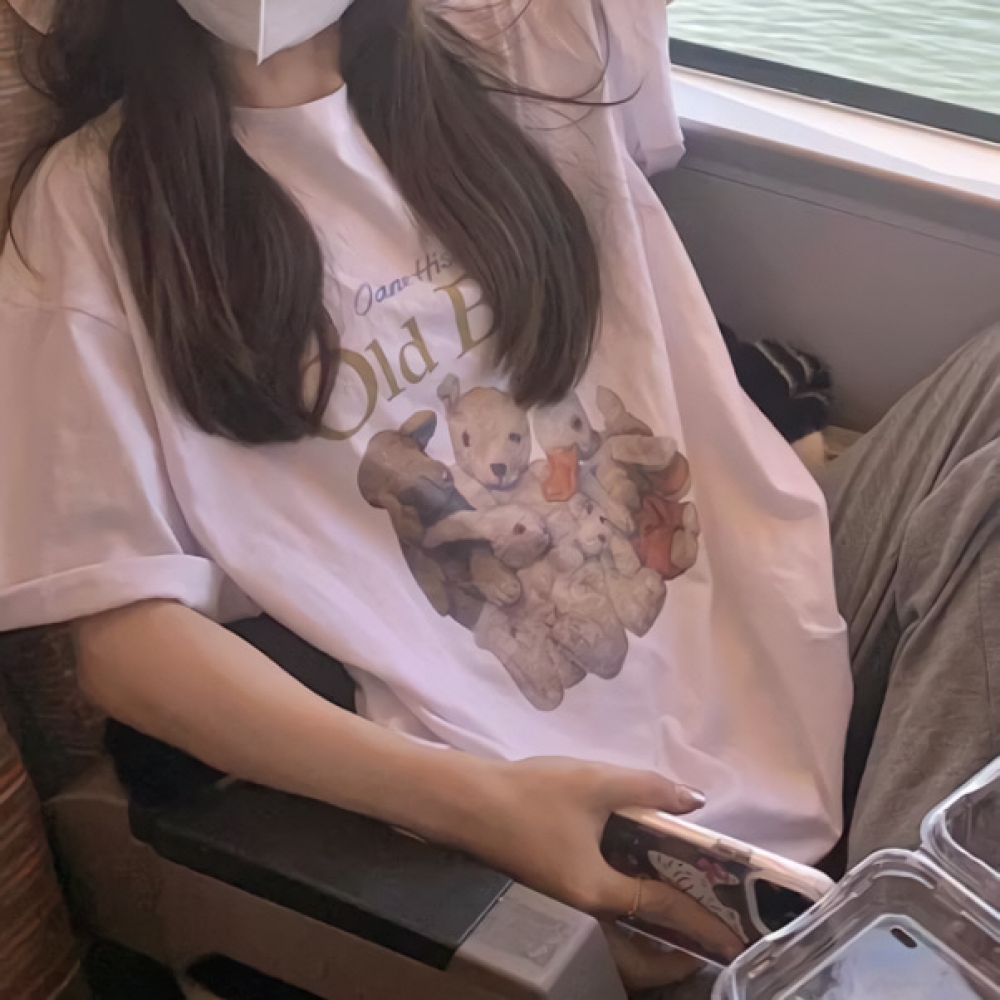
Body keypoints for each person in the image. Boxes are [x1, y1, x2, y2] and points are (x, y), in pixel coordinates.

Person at [0, 0, 995, 993]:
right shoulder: (88, 209)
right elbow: (127, 643)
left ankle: (891, 941)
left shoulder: (526, 38)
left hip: (766, 614)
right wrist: (481, 806)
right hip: (550, 775)